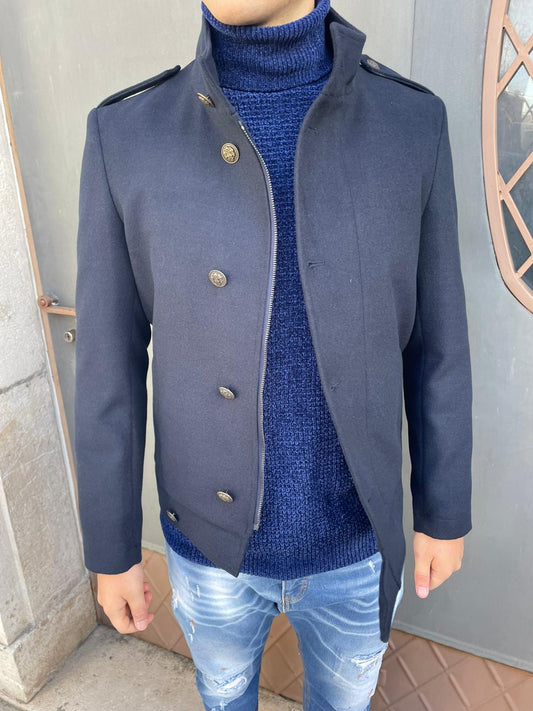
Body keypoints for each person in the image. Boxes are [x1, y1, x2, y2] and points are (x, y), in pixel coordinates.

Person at [74, 1, 473, 709]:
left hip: (357, 547)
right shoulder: (127, 134)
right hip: (208, 552)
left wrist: (441, 509)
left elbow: (438, 343)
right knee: (224, 695)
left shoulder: (411, 123)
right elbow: (107, 363)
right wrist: (112, 548)